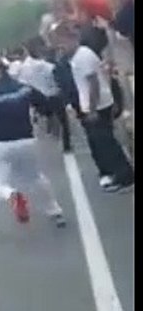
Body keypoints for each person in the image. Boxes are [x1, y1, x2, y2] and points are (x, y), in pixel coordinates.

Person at [0, 57, 67, 228]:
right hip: (26, 141)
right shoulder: (23, 88)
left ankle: (12, 195)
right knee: (35, 177)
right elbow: (45, 105)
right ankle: (55, 211)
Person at [53, 23, 135, 192]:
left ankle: (125, 176)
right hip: (95, 105)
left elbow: (93, 84)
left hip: (97, 107)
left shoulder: (82, 56)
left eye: (62, 43)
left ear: (71, 39)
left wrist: (91, 109)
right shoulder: (77, 57)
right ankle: (117, 174)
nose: (61, 48)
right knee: (102, 143)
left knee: (107, 143)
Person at [13, 39, 71, 152]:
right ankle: (66, 145)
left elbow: (22, 83)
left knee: (47, 115)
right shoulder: (45, 64)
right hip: (53, 94)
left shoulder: (22, 69)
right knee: (63, 121)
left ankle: (50, 129)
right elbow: (55, 72)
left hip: (37, 97)